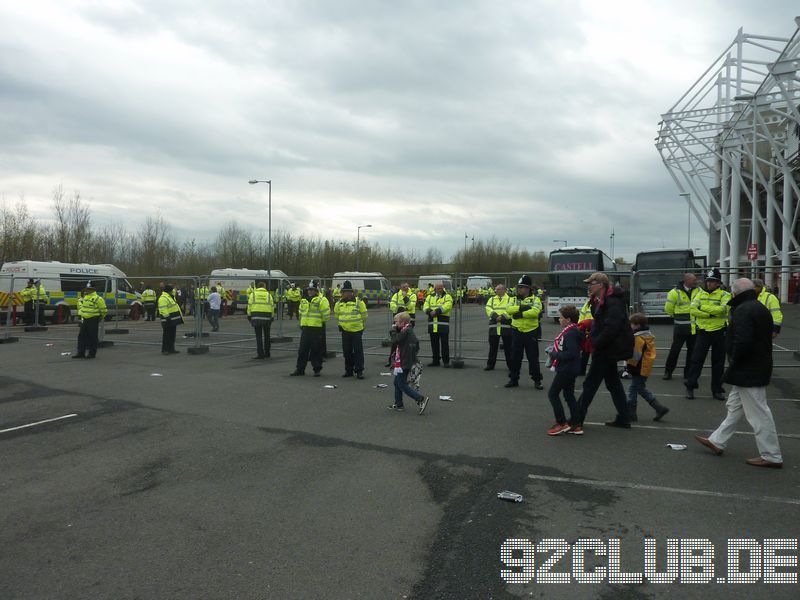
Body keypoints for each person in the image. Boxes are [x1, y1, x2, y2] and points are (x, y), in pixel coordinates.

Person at [695, 278, 782, 468]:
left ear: (734, 293)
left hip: (748, 369)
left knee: (759, 413)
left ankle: (771, 455)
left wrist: (734, 361)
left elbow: (743, 341)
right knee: (735, 406)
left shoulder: (743, 310)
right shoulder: (759, 307)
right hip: (756, 366)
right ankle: (717, 441)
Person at [574, 272, 634, 431]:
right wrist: (589, 323)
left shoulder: (613, 302)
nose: (588, 286)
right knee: (613, 383)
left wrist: (595, 342)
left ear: (600, 285)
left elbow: (611, 328)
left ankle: (576, 419)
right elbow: (602, 322)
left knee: (590, 384)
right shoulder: (598, 301)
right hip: (607, 347)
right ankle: (624, 417)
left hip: (607, 348)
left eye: (591, 283)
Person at [685, 268, 731, 400]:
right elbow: (692, 310)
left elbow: (723, 310)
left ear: (718, 283)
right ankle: (690, 386)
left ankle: (717, 389)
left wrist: (704, 309)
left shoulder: (724, 295)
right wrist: (710, 313)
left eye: (712, 281)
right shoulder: (700, 294)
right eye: (708, 281)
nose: (709, 283)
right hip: (703, 331)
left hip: (719, 331)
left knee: (718, 363)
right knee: (696, 360)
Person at [544, 305, 583, 435]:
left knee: (553, 394)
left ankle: (561, 423)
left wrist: (554, 354)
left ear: (568, 319)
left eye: (561, 317)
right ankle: (576, 424)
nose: (559, 320)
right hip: (571, 368)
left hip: (566, 369)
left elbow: (571, 353)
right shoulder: (573, 331)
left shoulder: (570, 334)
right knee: (568, 395)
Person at [626, 313, 669, 422]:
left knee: (633, 389)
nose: (630, 326)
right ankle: (658, 408)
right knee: (639, 388)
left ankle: (632, 412)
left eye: (631, 324)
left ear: (637, 325)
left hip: (639, 367)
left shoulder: (638, 338)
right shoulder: (647, 335)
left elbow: (636, 355)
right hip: (645, 366)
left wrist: (629, 365)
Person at [504, 275, 544, 389]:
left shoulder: (535, 299)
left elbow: (535, 312)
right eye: (518, 287)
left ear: (528, 288)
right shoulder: (513, 299)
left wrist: (520, 314)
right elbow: (508, 309)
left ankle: (537, 380)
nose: (519, 289)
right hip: (517, 331)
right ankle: (513, 379)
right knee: (515, 357)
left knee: (533, 358)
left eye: (522, 287)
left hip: (531, 332)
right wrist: (522, 308)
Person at [388, 311, 429, 414]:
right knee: (397, 382)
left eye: (396, 322)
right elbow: (416, 344)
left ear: (402, 322)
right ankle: (399, 404)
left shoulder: (405, 331)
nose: (394, 324)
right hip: (405, 360)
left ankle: (419, 398)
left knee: (401, 384)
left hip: (404, 361)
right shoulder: (408, 330)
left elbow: (395, 341)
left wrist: (393, 331)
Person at [663, 273, 699, 381]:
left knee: (692, 351)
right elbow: (668, 309)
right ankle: (668, 371)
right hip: (681, 328)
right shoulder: (674, 292)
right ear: (686, 280)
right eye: (693, 280)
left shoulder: (698, 291)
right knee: (675, 350)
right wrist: (677, 317)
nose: (695, 281)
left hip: (693, 328)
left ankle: (688, 373)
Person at [291, 280, 330, 377]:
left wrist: (320, 323)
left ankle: (317, 369)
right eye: (309, 290)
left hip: (316, 328)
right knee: (302, 350)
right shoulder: (304, 300)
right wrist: (302, 323)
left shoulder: (322, 300)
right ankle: (300, 369)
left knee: (316, 350)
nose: (310, 292)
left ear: (316, 290)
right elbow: (301, 312)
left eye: (312, 290)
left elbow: (326, 314)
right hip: (306, 328)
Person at [335, 280, 368, 378]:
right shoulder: (339, 304)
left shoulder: (359, 302)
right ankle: (348, 370)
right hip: (345, 331)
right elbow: (337, 315)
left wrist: (360, 325)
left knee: (358, 351)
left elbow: (364, 315)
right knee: (347, 351)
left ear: (351, 292)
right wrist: (341, 324)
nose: (347, 294)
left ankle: (359, 371)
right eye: (345, 292)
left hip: (357, 331)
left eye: (348, 292)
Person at [73, 282, 108, 359]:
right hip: (85, 319)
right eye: (86, 289)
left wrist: (99, 318)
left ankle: (92, 353)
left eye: (89, 289)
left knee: (92, 336)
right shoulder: (85, 298)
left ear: (93, 290)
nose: (87, 291)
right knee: (81, 336)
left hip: (93, 319)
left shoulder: (98, 299)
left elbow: (104, 310)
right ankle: (80, 352)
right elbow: (83, 308)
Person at [386, 282, 417, 367]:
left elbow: (411, 306)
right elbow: (392, 305)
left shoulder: (412, 295)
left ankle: (409, 360)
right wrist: (399, 309)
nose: (405, 288)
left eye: (407, 286)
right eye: (403, 286)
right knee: (395, 342)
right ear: (400, 287)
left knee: (407, 342)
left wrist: (405, 297)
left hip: (408, 321)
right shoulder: (396, 295)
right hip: (398, 321)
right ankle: (391, 360)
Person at [484, 284, 514, 371]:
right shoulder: (492, 299)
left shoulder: (510, 299)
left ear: (504, 290)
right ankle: (490, 365)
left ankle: (511, 365)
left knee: (508, 348)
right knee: (493, 347)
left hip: (506, 327)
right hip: (494, 326)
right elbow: (488, 308)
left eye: (498, 289)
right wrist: (495, 316)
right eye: (496, 289)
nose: (496, 291)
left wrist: (503, 317)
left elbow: (511, 309)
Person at [423, 282, 453, 367]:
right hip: (432, 324)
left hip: (443, 324)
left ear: (443, 288)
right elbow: (425, 307)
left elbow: (448, 306)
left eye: (441, 288)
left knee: (444, 344)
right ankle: (435, 361)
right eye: (437, 288)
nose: (439, 290)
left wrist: (436, 311)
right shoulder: (429, 297)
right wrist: (429, 312)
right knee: (434, 344)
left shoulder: (447, 296)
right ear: (434, 289)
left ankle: (446, 362)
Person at [248, 281, 274, 359]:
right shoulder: (268, 295)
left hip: (256, 316)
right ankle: (267, 353)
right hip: (267, 316)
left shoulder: (253, 294)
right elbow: (272, 306)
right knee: (267, 336)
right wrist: (272, 317)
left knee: (258, 336)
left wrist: (249, 315)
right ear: (264, 287)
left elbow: (250, 305)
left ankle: (260, 354)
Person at [158, 284, 183, 354]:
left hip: (172, 319)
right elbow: (163, 308)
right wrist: (167, 317)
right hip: (167, 319)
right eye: (172, 291)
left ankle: (171, 349)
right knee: (166, 335)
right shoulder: (163, 298)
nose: (173, 292)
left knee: (172, 335)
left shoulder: (170, 297)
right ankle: (165, 350)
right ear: (168, 291)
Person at [577, 294, 594, 376]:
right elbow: (582, 316)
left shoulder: (601, 303)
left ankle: (593, 372)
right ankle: (581, 370)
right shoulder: (587, 303)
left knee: (594, 353)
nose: (588, 295)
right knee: (585, 352)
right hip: (586, 330)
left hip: (595, 330)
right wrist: (580, 327)